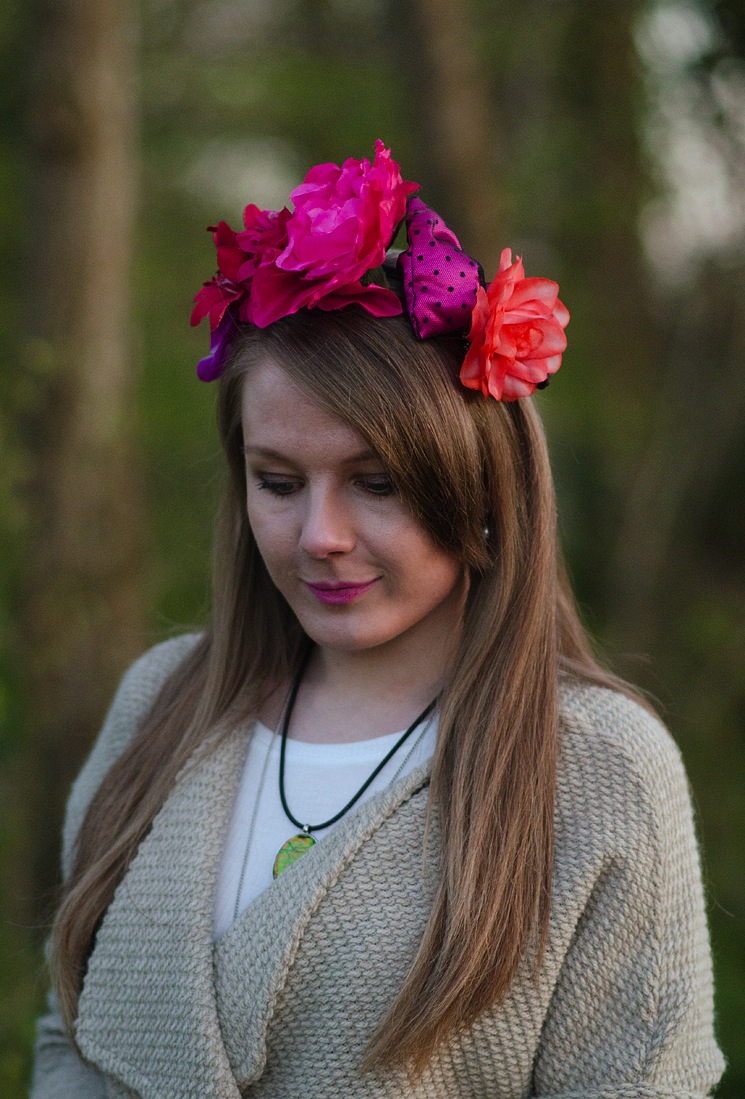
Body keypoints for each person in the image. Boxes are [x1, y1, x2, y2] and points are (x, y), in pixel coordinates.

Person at [31, 142, 725, 1099]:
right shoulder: (161, 702)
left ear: (479, 485)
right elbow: (72, 1033)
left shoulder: (597, 768)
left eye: (377, 482)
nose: (319, 535)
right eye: (279, 481)